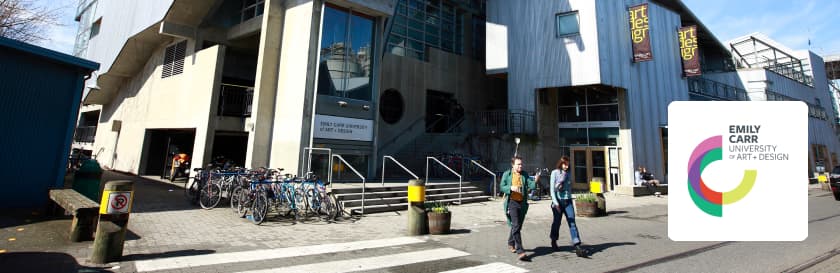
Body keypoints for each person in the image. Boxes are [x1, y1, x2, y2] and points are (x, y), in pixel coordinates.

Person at [500, 156, 540, 261]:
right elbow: (501, 186)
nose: (520, 166)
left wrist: (536, 180)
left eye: (521, 164)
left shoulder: (524, 174)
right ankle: (520, 250)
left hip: (522, 203)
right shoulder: (507, 174)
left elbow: (531, 186)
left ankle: (510, 242)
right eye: (518, 164)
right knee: (516, 225)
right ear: (513, 165)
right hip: (512, 203)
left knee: (517, 226)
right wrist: (510, 188)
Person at [550, 156, 587, 257]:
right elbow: (552, 191)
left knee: (572, 222)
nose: (566, 166)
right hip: (558, 202)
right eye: (564, 164)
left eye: (568, 164)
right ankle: (553, 240)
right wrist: (555, 203)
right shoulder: (554, 173)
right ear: (560, 163)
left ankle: (577, 245)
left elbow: (569, 189)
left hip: (568, 201)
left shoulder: (569, 173)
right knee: (557, 223)